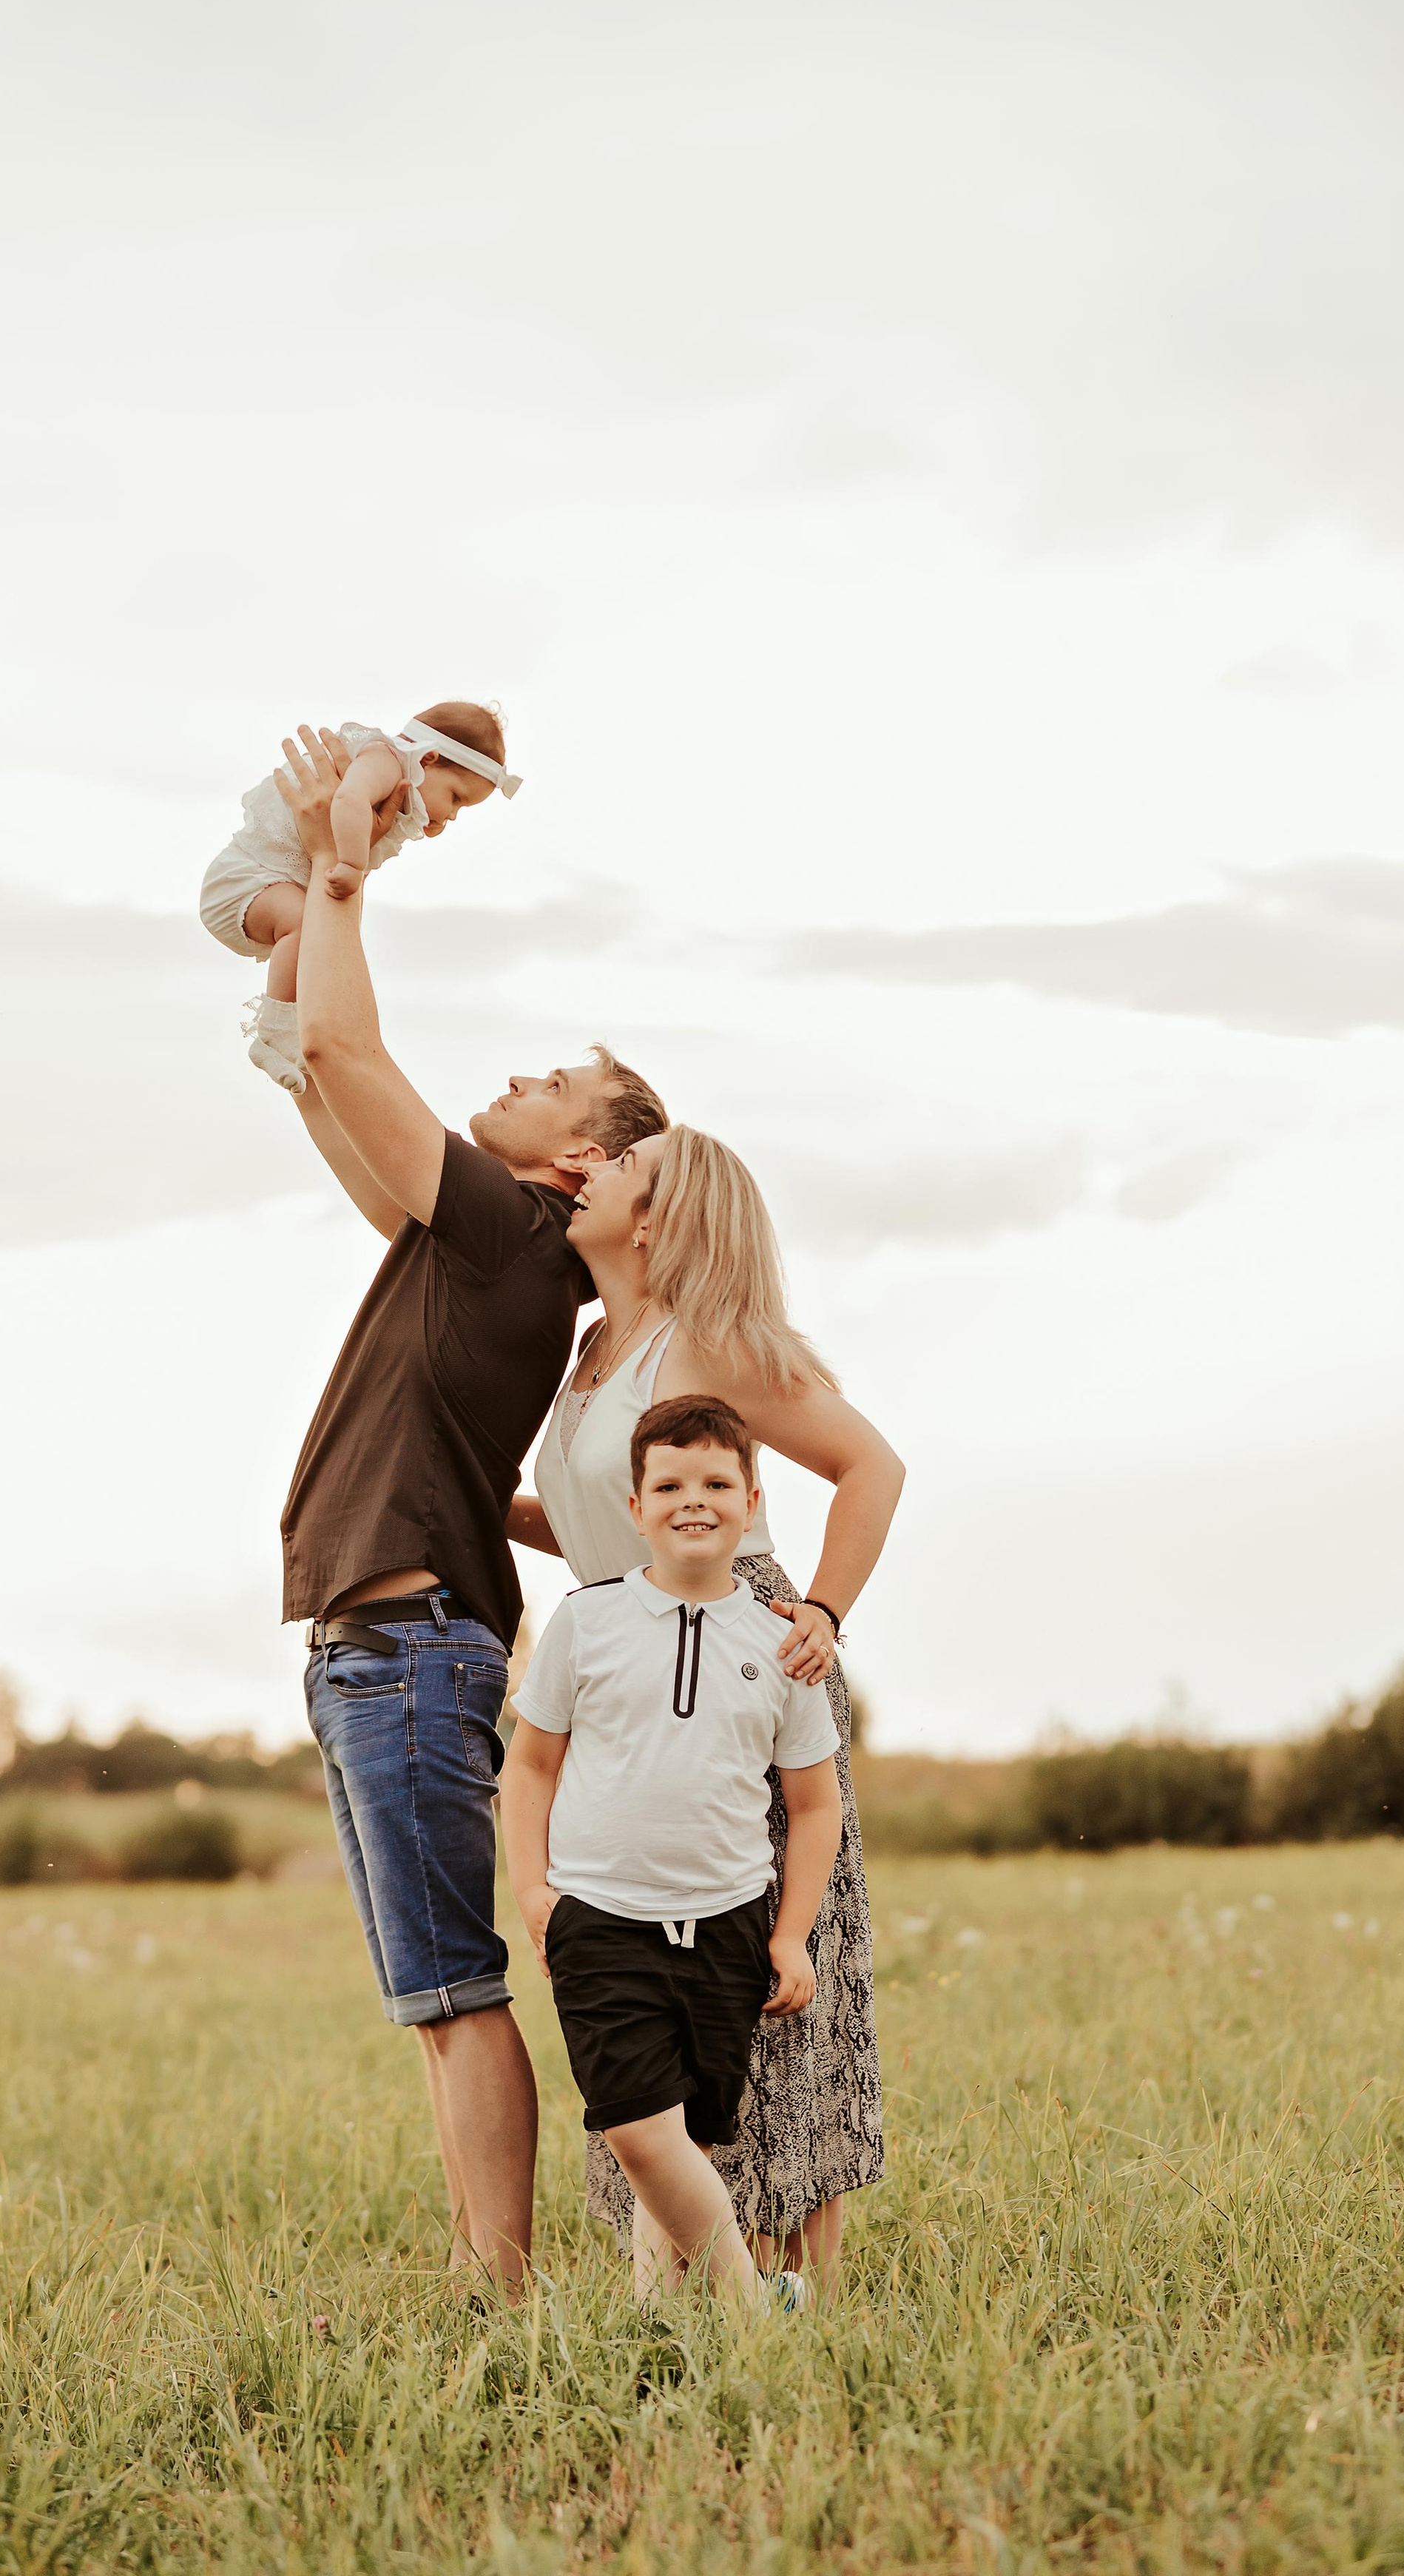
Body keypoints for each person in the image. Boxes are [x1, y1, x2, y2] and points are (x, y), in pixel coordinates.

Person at [266, 724, 666, 2293]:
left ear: (577, 1160)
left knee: (456, 1990)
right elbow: (339, 1096)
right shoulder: (470, 1240)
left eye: (548, 1083)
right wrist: (293, 997)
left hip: (415, 1649)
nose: (512, 1080)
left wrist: (344, 880)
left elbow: (360, 1065)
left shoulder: (511, 1234)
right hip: (385, 1642)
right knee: (434, 1998)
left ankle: (498, 2291)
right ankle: (482, 2276)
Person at [512, 1125, 902, 2287]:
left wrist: (822, 1614)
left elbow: (873, 1467)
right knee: (633, 1959)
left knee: (766, 1974)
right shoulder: (590, 1348)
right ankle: (684, 2291)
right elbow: (597, 1515)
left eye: (615, 1170)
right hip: (620, 1645)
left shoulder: (713, 1341)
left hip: (741, 1645)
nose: (586, 1176)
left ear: (654, 1219)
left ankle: (792, 2293)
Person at [502, 1393, 843, 2314]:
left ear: (751, 1499)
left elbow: (814, 1809)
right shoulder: (587, 1620)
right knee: (637, 2131)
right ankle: (753, 2305)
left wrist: (792, 1936)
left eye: (715, 1482)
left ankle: (657, 2324)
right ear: (636, 1507)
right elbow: (529, 1766)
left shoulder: (783, 1644)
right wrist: (533, 1891)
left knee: (686, 2134)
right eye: (669, 1484)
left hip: (729, 1920)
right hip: (602, 1916)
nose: (693, 1499)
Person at [199, 703, 520, 1092]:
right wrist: (351, 863)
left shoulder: (403, 784)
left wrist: (419, 824)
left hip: (272, 888)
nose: (452, 815)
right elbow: (348, 799)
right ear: (429, 758)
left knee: (320, 946)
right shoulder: (384, 759)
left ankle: (287, 1039)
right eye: (455, 798)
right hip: (244, 880)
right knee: (305, 927)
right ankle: (275, 1031)